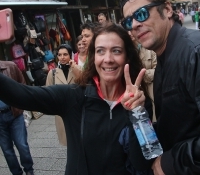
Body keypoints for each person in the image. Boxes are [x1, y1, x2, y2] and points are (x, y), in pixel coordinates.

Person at [0, 23, 154, 175]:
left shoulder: (140, 102)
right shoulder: (73, 96)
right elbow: (21, 94)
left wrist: (136, 113)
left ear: (127, 57)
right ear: (93, 57)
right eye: (100, 51)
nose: (108, 59)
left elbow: (142, 163)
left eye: (116, 51)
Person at [120, 0, 200, 175]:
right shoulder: (164, 58)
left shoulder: (193, 52)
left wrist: (171, 162)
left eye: (141, 14)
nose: (135, 25)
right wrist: (139, 111)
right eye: (128, 21)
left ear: (167, 9)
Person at [0, 61, 34, 175]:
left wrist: (22, 105)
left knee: (22, 145)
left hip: (14, 113)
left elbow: (22, 85)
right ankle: (16, 173)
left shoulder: (10, 66)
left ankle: (29, 170)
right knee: (7, 150)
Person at [46, 44, 80, 146]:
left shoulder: (76, 69)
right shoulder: (52, 73)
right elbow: (48, 93)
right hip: (61, 112)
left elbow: (84, 83)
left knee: (80, 138)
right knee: (68, 141)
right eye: (60, 55)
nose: (62, 57)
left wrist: (74, 67)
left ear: (70, 55)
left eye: (65, 54)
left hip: (77, 109)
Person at [128, 32, 157, 122]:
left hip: (152, 92)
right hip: (134, 98)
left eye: (131, 30)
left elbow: (158, 70)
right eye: (127, 30)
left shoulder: (150, 49)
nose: (130, 33)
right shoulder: (125, 53)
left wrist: (141, 75)